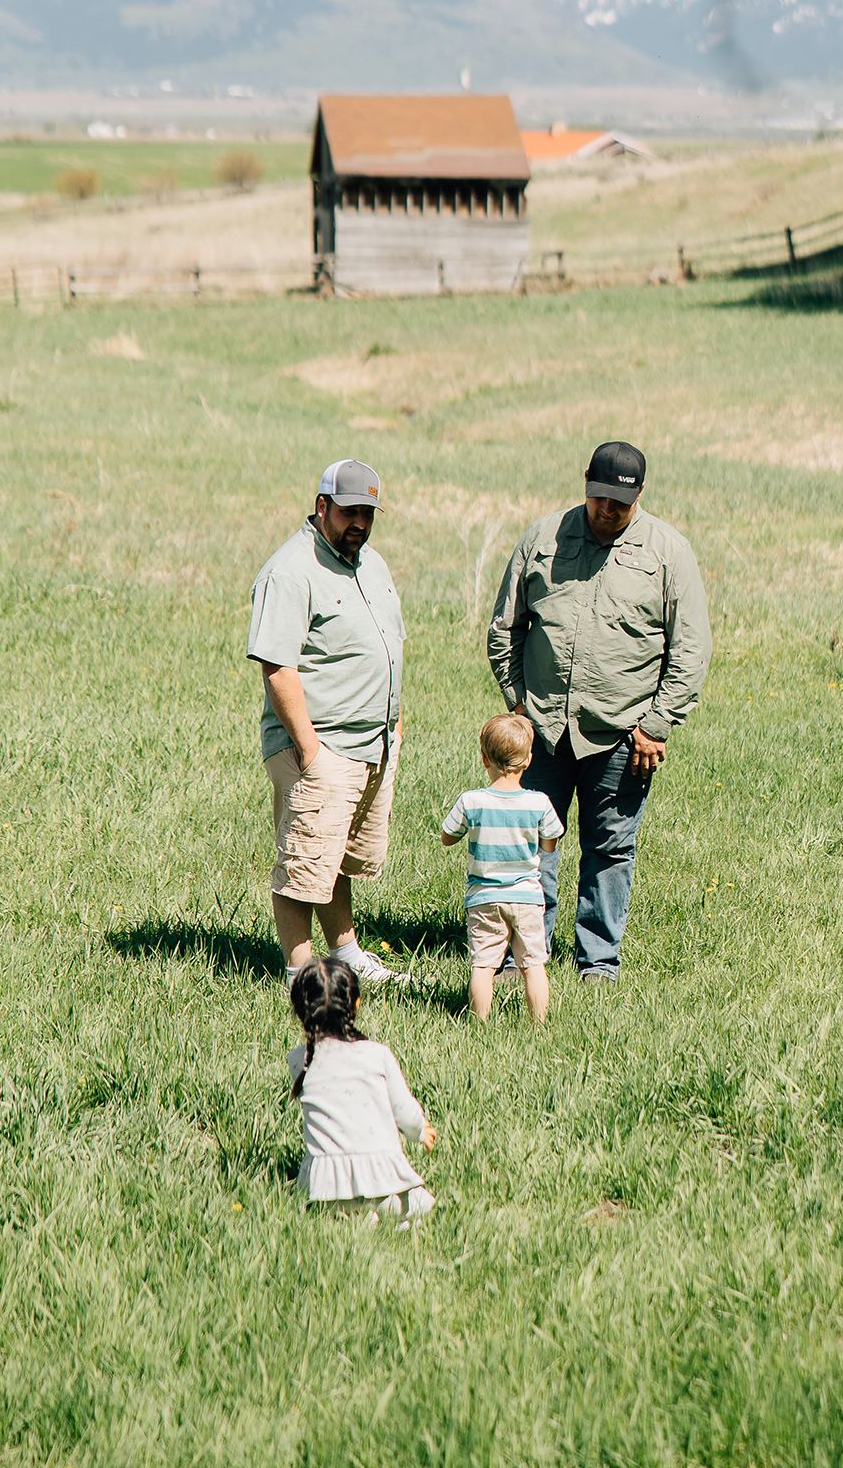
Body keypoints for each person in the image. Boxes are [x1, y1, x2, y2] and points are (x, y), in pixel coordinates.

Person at [487, 439, 712, 984]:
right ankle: (524, 956)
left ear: (639, 496)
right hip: (541, 729)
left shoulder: (668, 552)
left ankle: (598, 963)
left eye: (621, 503)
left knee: (610, 847)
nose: (607, 510)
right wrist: (518, 703)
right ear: (585, 481)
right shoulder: (543, 539)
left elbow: (691, 648)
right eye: (599, 498)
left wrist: (656, 725)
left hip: (623, 733)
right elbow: (504, 629)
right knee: (530, 845)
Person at [248, 459, 407, 987]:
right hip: (319, 743)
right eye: (349, 511)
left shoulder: (372, 564)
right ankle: (299, 971)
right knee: (303, 860)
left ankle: (346, 954)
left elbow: (390, 648)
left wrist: (396, 725)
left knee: (335, 855)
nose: (359, 522)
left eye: (368, 512)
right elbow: (278, 665)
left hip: (372, 743)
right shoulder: (290, 571)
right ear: (322, 507)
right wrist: (310, 751)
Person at [288, 956, 436, 1228]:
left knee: (339, 1213)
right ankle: (394, 1221)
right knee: (425, 1205)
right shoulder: (377, 1054)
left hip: (324, 1190)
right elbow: (403, 1109)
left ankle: (355, 1218)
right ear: (356, 1003)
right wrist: (420, 1131)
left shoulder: (300, 1060)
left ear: (299, 1010)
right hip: (384, 1182)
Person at [440, 711, 565, 1023]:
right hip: (528, 897)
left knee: (483, 965)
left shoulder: (471, 801)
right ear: (528, 761)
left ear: (485, 759)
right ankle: (539, 1025)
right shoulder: (539, 802)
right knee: (533, 964)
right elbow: (550, 843)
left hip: (484, 898)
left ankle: (478, 1024)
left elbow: (446, 837)